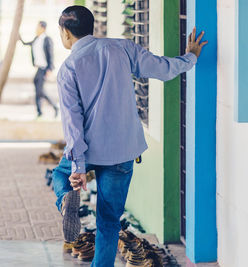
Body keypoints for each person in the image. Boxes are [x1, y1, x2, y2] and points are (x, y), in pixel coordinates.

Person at [53, 5, 207, 267]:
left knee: (60, 175)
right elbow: (161, 68)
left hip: (88, 150)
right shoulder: (122, 48)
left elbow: (73, 124)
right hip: (122, 151)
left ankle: (66, 199)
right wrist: (190, 57)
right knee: (109, 221)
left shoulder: (68, 69)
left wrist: (78, 168)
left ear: (66, 34)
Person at [20, 21, 59, 118]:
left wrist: (50, 69)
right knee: (37, 87)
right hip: (39, 68)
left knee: (39, 91)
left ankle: (52, 107)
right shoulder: (36, 39)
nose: (36, 29)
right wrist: (19, 38)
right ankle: (40, 111)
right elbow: (27, 43)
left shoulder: (47, 39)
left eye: (38, 27)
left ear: (43, 28)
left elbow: (51, 55)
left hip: (44, 68)